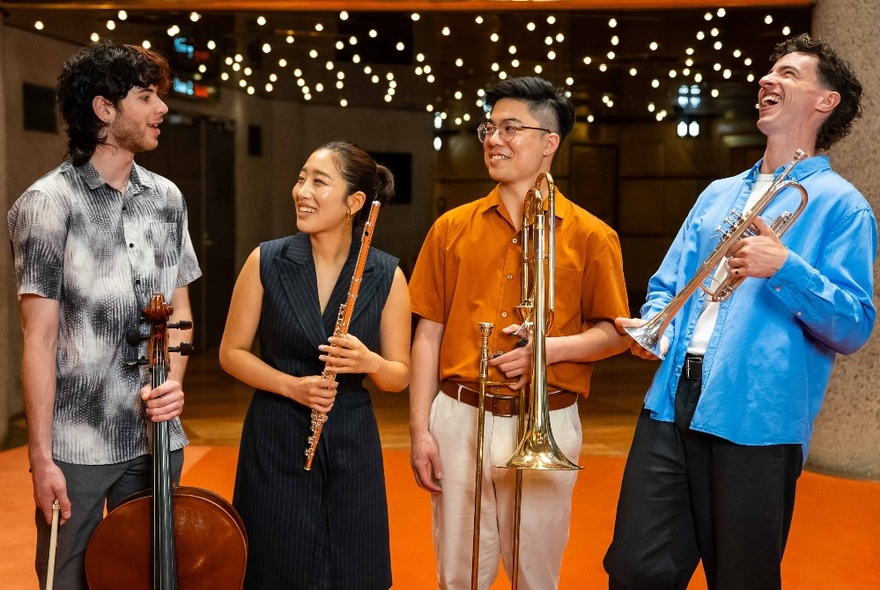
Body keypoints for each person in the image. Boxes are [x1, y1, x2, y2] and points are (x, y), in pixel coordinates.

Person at [604, 34, 876, 590]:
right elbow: (666, 284)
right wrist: (653, 323)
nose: (766, 80)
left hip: (759, 412)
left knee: (742, 577)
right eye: (768, 71)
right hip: (671, 398)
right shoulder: (717, 194)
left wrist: (786, 267)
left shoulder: (842, 205)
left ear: (826, 102)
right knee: (635, 567)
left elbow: (853, 325)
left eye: (790, 73)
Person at [408, 76, 630, 589]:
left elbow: (615, 332)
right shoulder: (450, 228)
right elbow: (428, 334)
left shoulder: (592, 235)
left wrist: (549, 352)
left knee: (536, 577)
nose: (493, 139)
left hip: (547, 416)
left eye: (511, 128)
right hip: (459, 416)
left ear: (549, 142)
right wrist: (421, 430)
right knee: (457, 576)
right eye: (489, 127)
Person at [7, 42, 200, 589]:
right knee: (66, 580)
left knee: (151, 576)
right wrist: (41, 459)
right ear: (104, 109)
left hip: (157, 436)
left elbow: (179, 309)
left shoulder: (167, 198)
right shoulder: (47, 204)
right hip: (78, 443)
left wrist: (176, 384)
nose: (162, 108)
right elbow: (38, 340)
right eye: (146, 96)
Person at [219, 140, 411, 589]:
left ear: (355, 203)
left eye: (318, 182)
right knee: (275, 564)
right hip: (276, 432)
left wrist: (370, 361)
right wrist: (292, 386)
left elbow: (398, 376)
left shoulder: (386, 274)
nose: (301, 190)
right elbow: (232, 353)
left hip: (350, 436)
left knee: (353, 565)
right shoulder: (267, 260)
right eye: (301, 177)